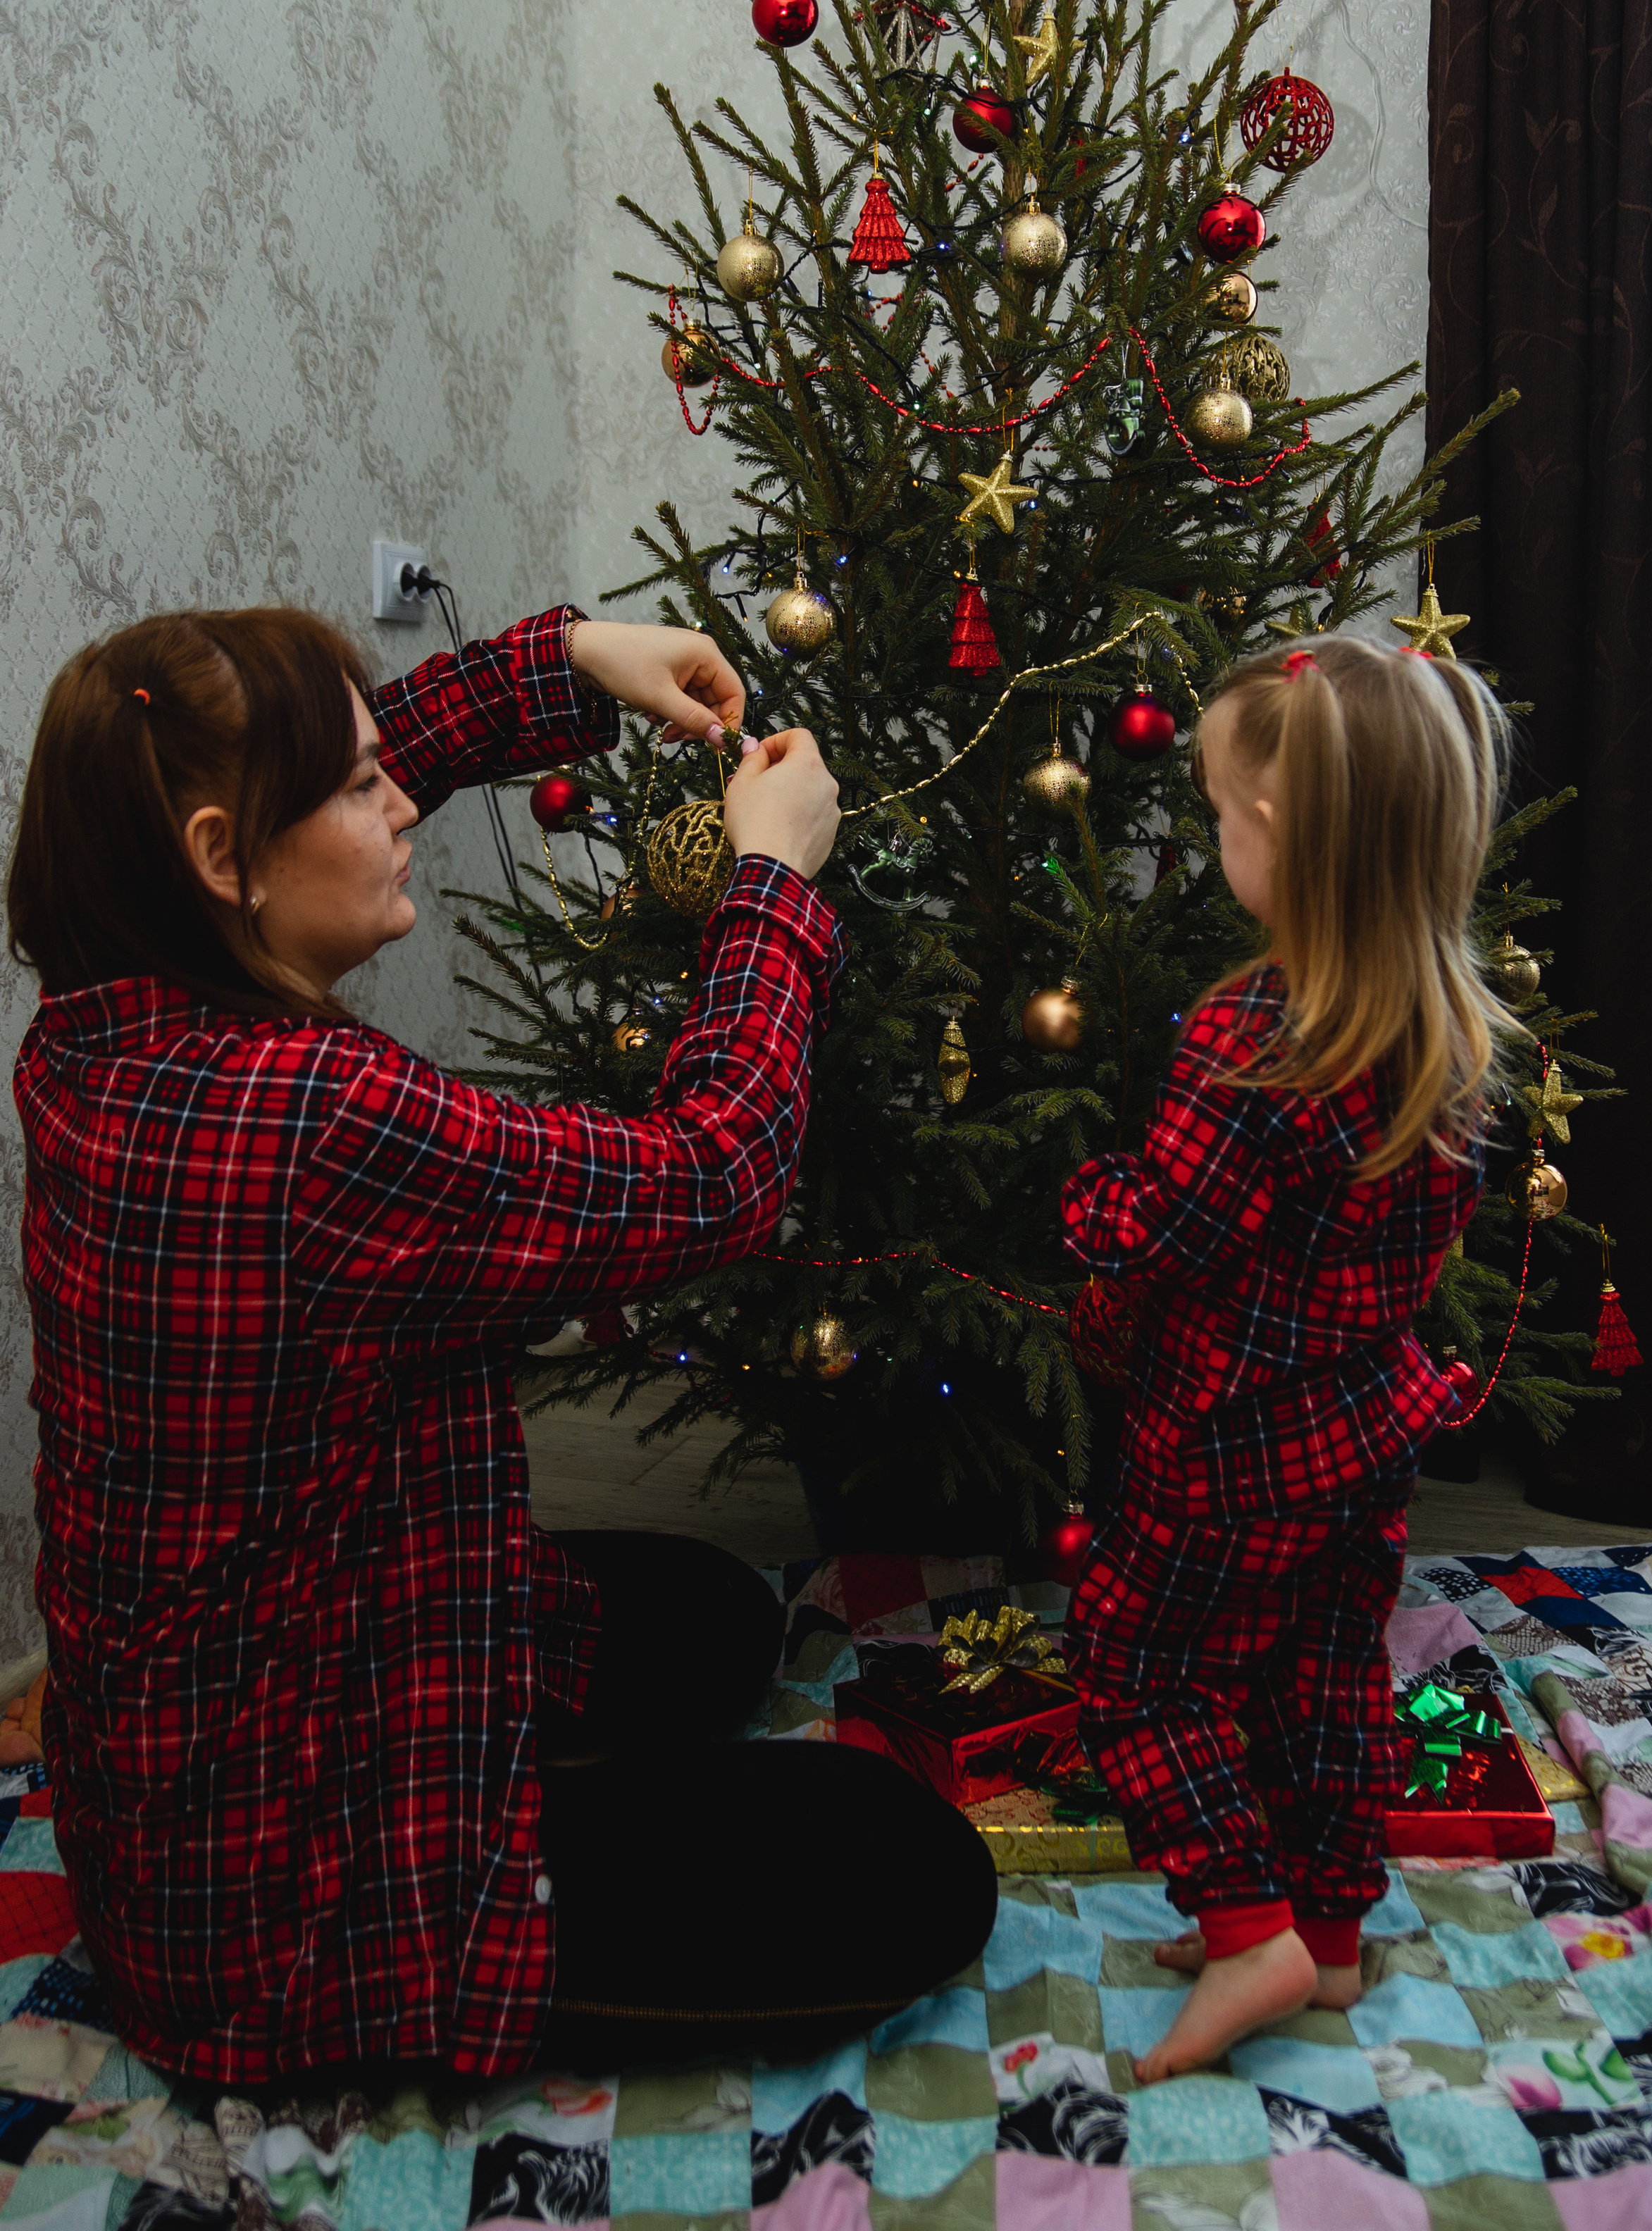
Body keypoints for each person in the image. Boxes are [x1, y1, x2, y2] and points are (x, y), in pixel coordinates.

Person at [9, 602, 996, 2085]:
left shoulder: (94, 1032)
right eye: (357, 788)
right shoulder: (313, 1119)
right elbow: (714, 1171)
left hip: (209, 1760)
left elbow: (318, 773)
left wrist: (574, 657)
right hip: (293, 1915)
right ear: (221, 859)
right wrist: (768, 881)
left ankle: (518, 1799)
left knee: (709, 1618)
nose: (396, 797)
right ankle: (442, 1948)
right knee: (909, 1869)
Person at [1062, 637, 1510, 2080]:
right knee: (1322, 1673)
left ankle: (1244, 1922)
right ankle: (1323, 1938)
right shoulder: (1446, 1030)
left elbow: (1161, 1235)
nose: (1208, 837)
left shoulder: (1246, 1038)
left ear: (1283, 842)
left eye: (1215, 814)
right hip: (1361, 1425)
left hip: (1225, 1438)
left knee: (1136, 1666)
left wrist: (1080, 1201)